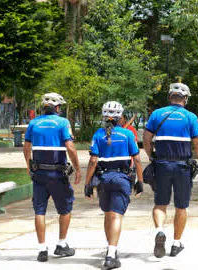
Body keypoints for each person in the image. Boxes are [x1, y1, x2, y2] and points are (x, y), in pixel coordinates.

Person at [143, 83, 198, 258]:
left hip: (162, 165)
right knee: (181, 206)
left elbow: (146, 138)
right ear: (185, 99)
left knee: (160, 204)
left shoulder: (157, 114)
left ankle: (159, 230)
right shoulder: (190, 117)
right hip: (182, 167)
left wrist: (151, 157)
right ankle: (176, 243)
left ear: (169, 97)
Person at [84, 101, 143, 270]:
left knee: (108, 214)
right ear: (120, 116)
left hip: (103, 179)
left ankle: (110, 248)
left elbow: (93, 161)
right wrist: (140, 181)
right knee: (116, 215)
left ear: (104, 116)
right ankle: (111, 254)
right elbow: (137, 159)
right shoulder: (127, 135)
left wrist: (87, 183)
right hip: (121, 178)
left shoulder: (98, 135)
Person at [23, 92, 81, 262]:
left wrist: (28, 164)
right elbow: (70, 147)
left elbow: (26, 148)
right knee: (65, 209)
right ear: (57, 107)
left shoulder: (33, 123)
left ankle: (42, 249)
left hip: (39, 174)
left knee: (39, 211)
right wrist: (77, 168)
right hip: (57, 174)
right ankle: (61, 244)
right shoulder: (63, 122)